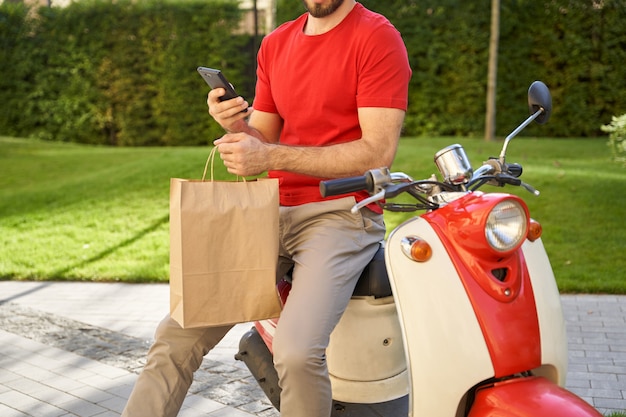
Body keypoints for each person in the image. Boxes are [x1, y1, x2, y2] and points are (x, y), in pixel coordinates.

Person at [121, 1, 411, 416]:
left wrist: (269, 156)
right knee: (175, 335)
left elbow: (376, 152)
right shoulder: (277, 43)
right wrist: (233, 123)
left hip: (340, 214)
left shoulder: (376, 37)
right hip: (267, 213)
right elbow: (265, 136)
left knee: (295, 352)